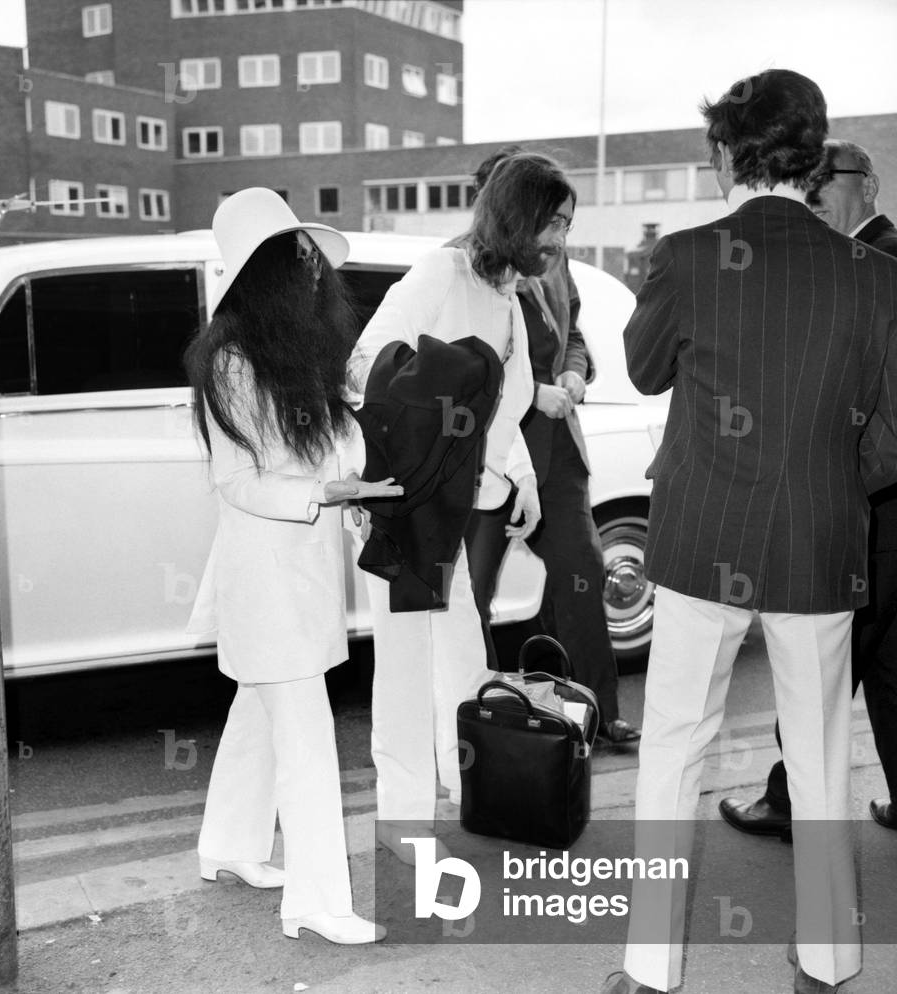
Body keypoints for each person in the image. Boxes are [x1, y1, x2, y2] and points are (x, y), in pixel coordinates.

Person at [602, 71, 897, 994]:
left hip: (698, 540)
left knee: (673, 747)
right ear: (816, 159)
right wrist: (834, 484)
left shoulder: (688, 256)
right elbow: (891, 433)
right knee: (817, 754)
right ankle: (828, 962)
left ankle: (651, 974)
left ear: (728, 153)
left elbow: (646, 372)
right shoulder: (876, 275)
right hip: (819, 541)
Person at [184, 188, 402, 945]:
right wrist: (325, 491)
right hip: (265, 576)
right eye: (301, 257)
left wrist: (347, 484)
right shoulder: (234, 363)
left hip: (294, 568)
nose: (317, 271)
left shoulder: (292, 355)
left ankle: (228, 846)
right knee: (306, 738)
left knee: (258, 715)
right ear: (268, 271)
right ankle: (315, 901)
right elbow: (236, 480)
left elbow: (335, 454)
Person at [349, 154, 568, 861]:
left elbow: (508, 399)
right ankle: (405, 822)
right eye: (553, 223)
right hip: (412, 506)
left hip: (462, 504)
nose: (561, 240)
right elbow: (367, 364)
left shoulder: (505, 294)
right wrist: (411, 459)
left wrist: (521, 475)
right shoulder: (442, 273)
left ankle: (465, 782)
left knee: (462, 653)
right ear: (517, 215)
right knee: (408, 666)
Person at [718, 139, 897, 839]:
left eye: (834, 176)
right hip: (880, 509)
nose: (817, 188)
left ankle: (790, 801)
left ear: (872, 185)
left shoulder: (875, 263)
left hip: (869, 506)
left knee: (822, 661)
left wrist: (843, 480)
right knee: (882, 663)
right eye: (810, 176)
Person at [461, 147, 641, 744]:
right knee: (473, 595)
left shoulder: (555, 259)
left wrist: (570, 375)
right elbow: (459, 366)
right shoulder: (459, 265)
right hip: (487, 455)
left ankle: (596, 711)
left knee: (583, 575)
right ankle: (479, 723)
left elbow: (576, 336)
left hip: (557, 455)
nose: (552, 232)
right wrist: (530, 391)